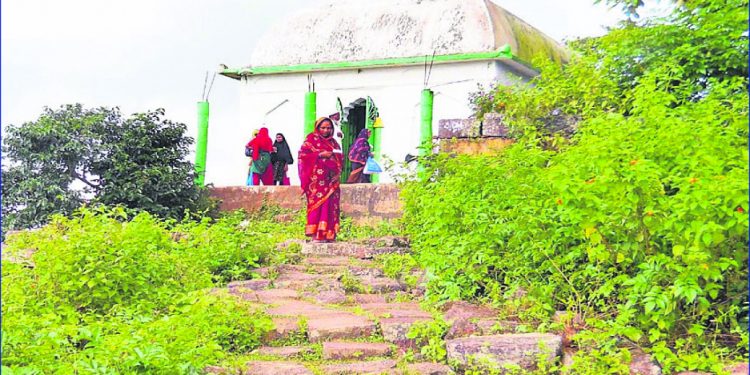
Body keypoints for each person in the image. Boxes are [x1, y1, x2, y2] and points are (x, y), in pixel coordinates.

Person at [298, 117, 343, 242]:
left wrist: (338, 172)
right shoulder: (311, 140)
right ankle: (316, 235)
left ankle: (329, 234)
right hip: (316, 181)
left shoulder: (334, 143)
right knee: (318, 206)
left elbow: (340, 158)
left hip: (331, 180)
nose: (326, 130)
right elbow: (302, 155)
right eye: (323, 128)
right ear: (318, 128)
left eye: (329, 128)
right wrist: (319, 155)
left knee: (330, 206)